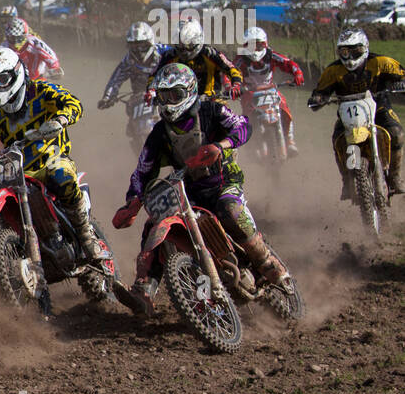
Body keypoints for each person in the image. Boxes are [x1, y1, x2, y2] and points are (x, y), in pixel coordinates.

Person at [112, 63, 287, 313]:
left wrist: (221, 145)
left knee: (229, 209)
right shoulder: (160, 133)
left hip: (224, 181)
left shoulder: (211, 111)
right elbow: (143, 170)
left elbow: (243, 125)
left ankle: (268, 263)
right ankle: (144, 290)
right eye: (164, 96)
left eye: (175, 95)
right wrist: (132, 203)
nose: (169, 102)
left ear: (190, 91)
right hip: (189, 192)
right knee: (153, 224)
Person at [0, 46, 105, 260]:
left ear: (15, 73)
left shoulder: (40, 91)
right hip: (15, 169)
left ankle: (86, 235)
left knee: (61, 177)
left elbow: (73, 103)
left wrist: (60, 120)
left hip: (51, 159)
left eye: (0, 80)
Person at [308, 28, 405, 197]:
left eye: (356, 50)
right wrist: (318, 99)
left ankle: (395, 177)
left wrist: (401, 83)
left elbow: (402, 74)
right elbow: (320, 92)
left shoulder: (381, 62)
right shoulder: (333, 71)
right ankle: (347, 181)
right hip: (348, 116)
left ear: (365, 47)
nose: (350, 57)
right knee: (337, 140)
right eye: (345, 52)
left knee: (397, 133)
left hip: (379, 109)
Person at [236, 26, 304, 155]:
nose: (255, 49)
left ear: (265, 44)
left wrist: (298, 73)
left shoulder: (271, 55)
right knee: (245, 117)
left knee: (284, 107)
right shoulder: (240, 59)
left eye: (258, 45)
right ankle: (249, 143)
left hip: (270, 90)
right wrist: (232, 86)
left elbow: (289, 63)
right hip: (248, 93)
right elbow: (229, 71)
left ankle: (290, 141)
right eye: (251, 46)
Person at [144, 18, 241, 104]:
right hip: (179, 103)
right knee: (162, 122)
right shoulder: (170, 55)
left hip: (212, 101)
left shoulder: (209, 53)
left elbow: (232, 69)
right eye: (181, 46)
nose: (184, 51)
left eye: (188, 46)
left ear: (198, 41)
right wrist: (151, 90)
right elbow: (154, 75)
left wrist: (236, 85)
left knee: (231, 121)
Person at [97, 21, 173, 109]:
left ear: (150, 42)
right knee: (132, 116)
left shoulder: (165, 52)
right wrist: (107, 98)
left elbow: (182, 65)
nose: (139, 50)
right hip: (140, 100)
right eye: (134, 46)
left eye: (142, 45)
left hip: (166, 97)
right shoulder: (129, 60)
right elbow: (116, 79)